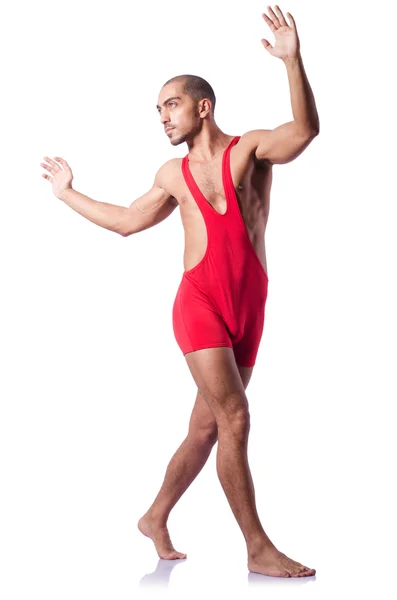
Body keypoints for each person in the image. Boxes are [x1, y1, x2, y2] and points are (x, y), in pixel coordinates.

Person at [40, 5, 319, 578]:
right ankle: (257, 546)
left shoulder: (250, 150)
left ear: (202, 105)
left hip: (249, 308)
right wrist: (69, 193)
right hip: (200, 307)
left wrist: (293, 62)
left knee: (206, 427)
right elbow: (125, 221)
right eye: (158, 109)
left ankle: (155, 515)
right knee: (235, 417)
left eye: (170, 105)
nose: (162, 117)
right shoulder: (173, 174)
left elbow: (305, 132)